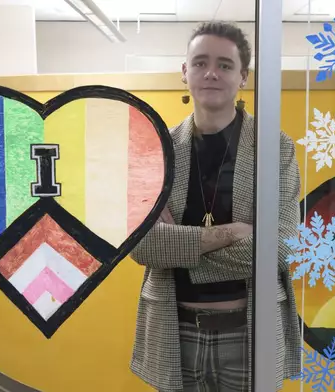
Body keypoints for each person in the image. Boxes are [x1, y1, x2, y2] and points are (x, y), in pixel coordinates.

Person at [129, 21, 301, 392]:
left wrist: (178, 246)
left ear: (243, 77)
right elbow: (142, 246)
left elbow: (282, 247)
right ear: (184, 72)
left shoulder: (275, 147)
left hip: (251, 330)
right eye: (201, 62)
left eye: (225, 65)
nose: (211, 73)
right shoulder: (157, 149)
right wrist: (237, 234)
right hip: (174, 330)